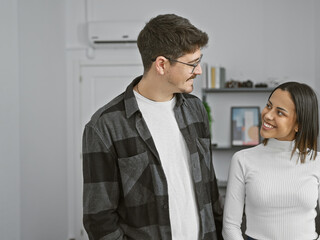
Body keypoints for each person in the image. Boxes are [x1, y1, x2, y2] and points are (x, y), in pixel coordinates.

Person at [82, 14, 223, 240]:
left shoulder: (196, 110)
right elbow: (98, 219)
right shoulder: (105, 126)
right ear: (161, 64)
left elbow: (210, 188)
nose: (199, 71)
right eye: (192, 64)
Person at [222, 82, 320, 240]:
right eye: (269, 105)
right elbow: (230, 226)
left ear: (298, 124)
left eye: (280, 113)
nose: (268, 115)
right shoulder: (242, 160)